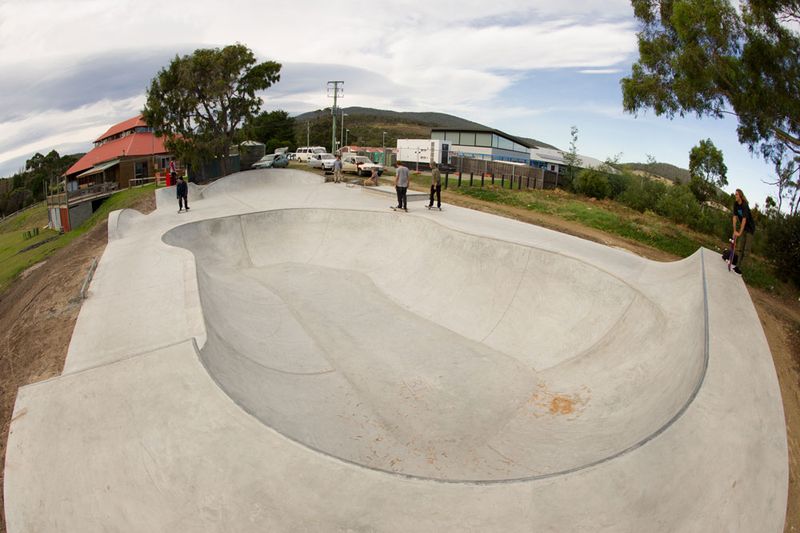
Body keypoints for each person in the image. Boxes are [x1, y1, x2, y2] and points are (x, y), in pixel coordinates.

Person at [731, 188, 755, 274]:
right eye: (735, 194)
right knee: (740, 248)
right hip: (744, 227)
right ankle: (737, 266)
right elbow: (734, 217)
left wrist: (740, 233)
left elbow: (744, 220)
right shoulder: (735, 204)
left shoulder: (745, 205)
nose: (735, 195)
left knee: (746, 250)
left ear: (740, 196)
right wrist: (734, 230)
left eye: (736, 194)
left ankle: (741, 269)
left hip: (750, 228)